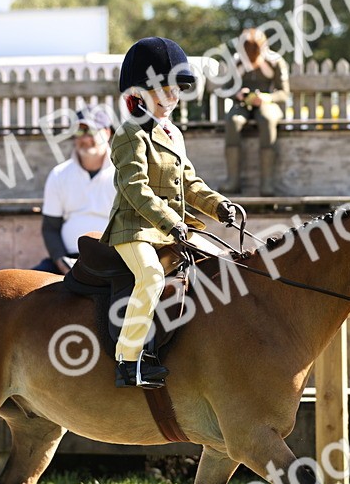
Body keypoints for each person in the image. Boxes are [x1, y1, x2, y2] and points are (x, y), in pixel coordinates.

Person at [102, 36, 237, 389]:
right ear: (140, 92)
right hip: (134, 228)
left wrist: (219, 206)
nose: (173, 98)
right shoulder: (128, 134)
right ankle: (127, 361)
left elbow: (189, 183)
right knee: (151, 276)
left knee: (225, 265)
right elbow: (135, 190)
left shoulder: (173, 133)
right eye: (164, 90)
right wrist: (170, 221)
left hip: (173, 228)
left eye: (177, 90)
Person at [32, 106, 117, 274]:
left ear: (107, 132)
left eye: (91, 130)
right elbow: (50, 227)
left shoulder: (122, 173)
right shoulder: (59, 174)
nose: (85, 138)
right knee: (25, 291)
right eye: (79, 132)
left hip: (114, 259)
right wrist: (60, 261)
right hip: (69, 261)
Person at [219, 28, 290, 195]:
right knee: (233, 120)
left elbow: (284, 93)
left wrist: (266, 98)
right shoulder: (237, 61)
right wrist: (237, 94)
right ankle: (233, 181)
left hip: (267, 102)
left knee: (266, 120)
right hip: (242, 103)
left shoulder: (275, 61)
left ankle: (267, 183)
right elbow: (226, 88)